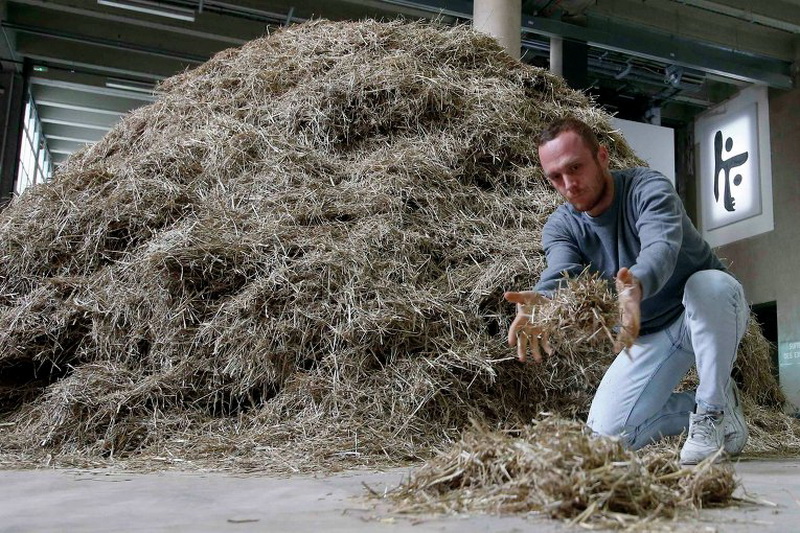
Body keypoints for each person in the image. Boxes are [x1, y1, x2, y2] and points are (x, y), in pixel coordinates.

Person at [505, 116, 749, 464]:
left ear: (602, 156)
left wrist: (635, 285)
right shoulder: (562, 225)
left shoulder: (647, 188)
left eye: (575, 168)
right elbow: (562, 269)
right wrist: (544, 299)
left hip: (703, 311)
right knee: (606, 439)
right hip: (648, 332)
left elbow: (661, 245)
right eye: (555, 177)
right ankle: (723, 409)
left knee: (710, 284)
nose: (568, 184)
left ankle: (710, 412)